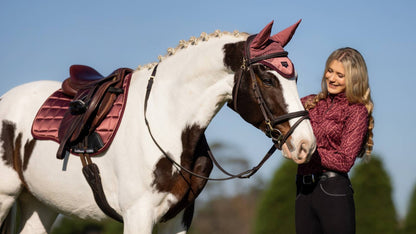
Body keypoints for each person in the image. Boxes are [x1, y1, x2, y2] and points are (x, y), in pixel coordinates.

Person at [295, 47, 374, 234]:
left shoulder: (356, 110)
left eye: (340, 75)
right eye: (330, 71)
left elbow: (345, 160)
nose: (332, 78)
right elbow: (281, 119)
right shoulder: (309, 102)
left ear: (354, 78)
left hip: (333, 191)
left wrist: (309, 150)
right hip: (303, 190)